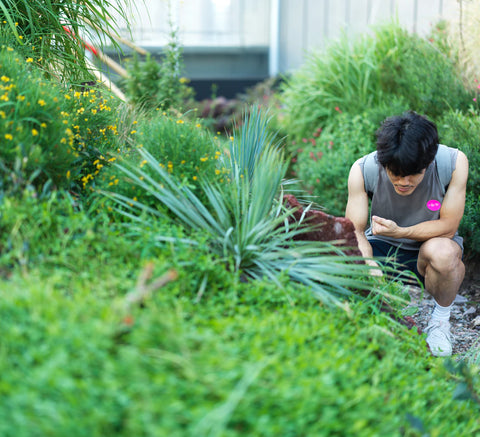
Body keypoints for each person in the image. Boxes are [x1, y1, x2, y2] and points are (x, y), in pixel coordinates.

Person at [345, 111, 469, 357]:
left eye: (413, 174)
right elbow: (356, 231)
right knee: (350, 259)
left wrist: (401, 231)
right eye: (396, 173)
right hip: (382, 246)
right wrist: (369, 265)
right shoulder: (362, 169)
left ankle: (440, 322)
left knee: (444, 252)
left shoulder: (453, 163)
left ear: (429, 162)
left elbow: (449, 226)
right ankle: (377, 317)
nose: (404, 181)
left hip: (429, 247)